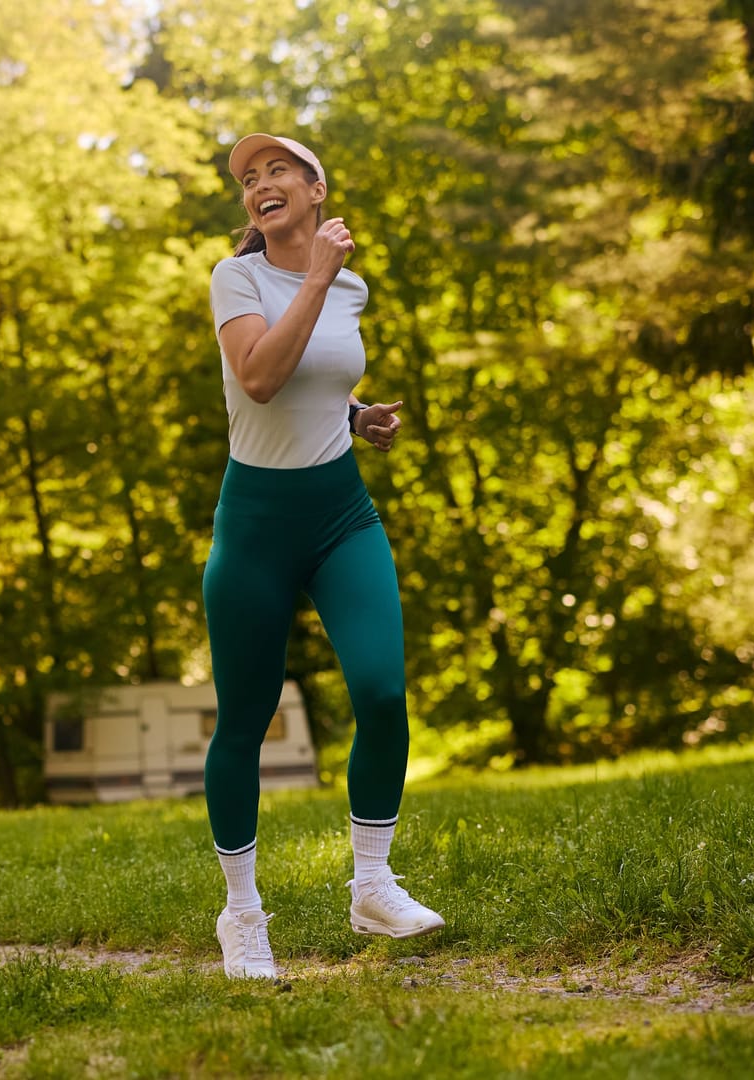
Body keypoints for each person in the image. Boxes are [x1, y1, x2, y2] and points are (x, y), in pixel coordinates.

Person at [203, 133, 443, 980]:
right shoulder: (237, 279)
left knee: (381, 690)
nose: (258, 185)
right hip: (258, 526)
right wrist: (310, 278)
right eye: (246, 178)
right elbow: (261, 379)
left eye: (276, 171)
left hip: (341, 513)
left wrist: (355, 415)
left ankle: (372, 884)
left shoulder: (350, 287)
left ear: (315, 188)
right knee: (244, 722)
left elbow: (314, 381)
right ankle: (242, 915)